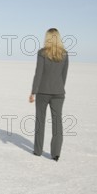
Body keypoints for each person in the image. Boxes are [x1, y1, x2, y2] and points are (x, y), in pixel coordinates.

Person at [29, 28, 69, 162]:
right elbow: (64, 75)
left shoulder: (42, 53)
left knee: (40, 121)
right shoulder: (64, 54)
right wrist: (59, 87)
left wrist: (33, 91)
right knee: (57, 123)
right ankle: (55, 154)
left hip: (43, 92)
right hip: (58, 93)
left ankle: (38, 151)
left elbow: (38, 73)